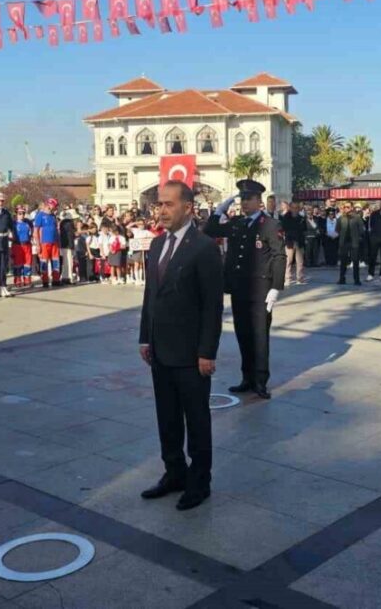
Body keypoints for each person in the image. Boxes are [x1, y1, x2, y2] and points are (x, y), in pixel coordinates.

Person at [138, 181, 224, 512]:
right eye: (158, 204)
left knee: (197, 421)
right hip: (160, 350)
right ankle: (174, 473)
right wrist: (145, 337)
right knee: (168, 419)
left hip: (190, 355)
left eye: (168, 204)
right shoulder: (158, 245)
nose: (160, 210)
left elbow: (212, 306)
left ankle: (200, 482)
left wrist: (207, 352)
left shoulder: (204, 248)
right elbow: (150, 296)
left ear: (188, 207)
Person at [203, 179, 285, 400]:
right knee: (243, 335)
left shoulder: (270, 225)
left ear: (259, 201)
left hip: (260, 291)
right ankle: (246, 378)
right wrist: (220, 209)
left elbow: (279, 256)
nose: (245, 203)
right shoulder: (238, 223)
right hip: (240, 289)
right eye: (242, 199)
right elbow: (210, 230)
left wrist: (276, 287)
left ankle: (260, 381)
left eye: (249, 199)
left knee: (259, 336)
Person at [34, 198, 60, 287]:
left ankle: (56, 279)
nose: (55, 208)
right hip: (44, 242)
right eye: (54, 206)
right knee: (44, 261)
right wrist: (37, 244)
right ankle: (45, 280)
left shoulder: (53, 216)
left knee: (55, 261)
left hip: (54, 242)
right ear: (49, 204)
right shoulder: (40, 215)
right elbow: (36, 230)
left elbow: (56, 228)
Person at [337, 202, 365, 286]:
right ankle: (342, 279)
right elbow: (337, 229)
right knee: (343, 262)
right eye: (345, 207)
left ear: (352, 208)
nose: (346, 209)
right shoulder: (341, 218)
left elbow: (361, 230)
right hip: (344, 242)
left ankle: (356, 280)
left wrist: (358, 238)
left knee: (355, 262)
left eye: (348, 207)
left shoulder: (357, 218)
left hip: (354, 243)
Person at [280, 201, 307, 286]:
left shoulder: (302, 218)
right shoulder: (285, 217)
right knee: (288, 261)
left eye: (297, 208)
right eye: (293, 207)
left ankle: (300, 278)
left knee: (300, 261)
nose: (295, 209)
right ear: (290, 208)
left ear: (299, 209)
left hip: (299, 241)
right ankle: (287, 278)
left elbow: (304, 229)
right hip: (289, 241)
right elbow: (283, 229)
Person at [12, 205, 34, 288]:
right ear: (16, 214)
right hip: (17, 245)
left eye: (23, 213)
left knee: (27, 263)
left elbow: (32, 231)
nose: (21, 215)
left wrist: (32, 238)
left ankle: (27, 280)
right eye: (19, 213)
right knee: (18, 264)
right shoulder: (13, 223)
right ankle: (17, 280)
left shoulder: (28, 222)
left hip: (27, 245)